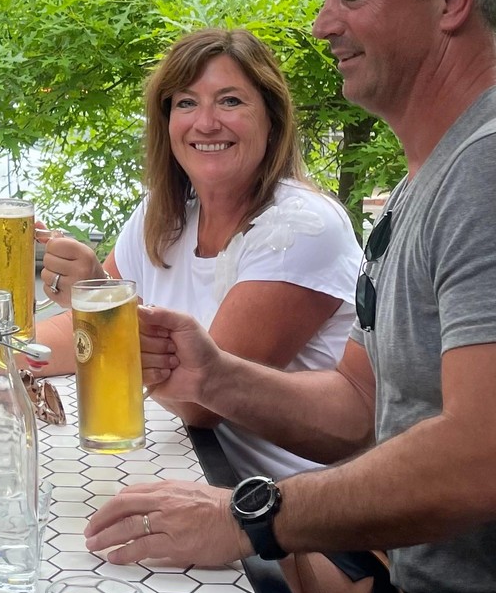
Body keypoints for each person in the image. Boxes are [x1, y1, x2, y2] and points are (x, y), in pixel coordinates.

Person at [85, 0, 496, 593]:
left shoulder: (484, 171)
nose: (321, 23)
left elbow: (481, 455)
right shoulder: (425, 185)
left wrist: (250, 516)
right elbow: (356, 409)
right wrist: (216, 375)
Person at [31, 28, 361, 480]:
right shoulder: (163, 215)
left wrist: (101, 299)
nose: (206, 123)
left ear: (272, 120)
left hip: (286, 500)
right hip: (195, 471)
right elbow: (76, 330)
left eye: (230, 101)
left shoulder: (301, 226)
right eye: (186, 103)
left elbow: (200, 400)